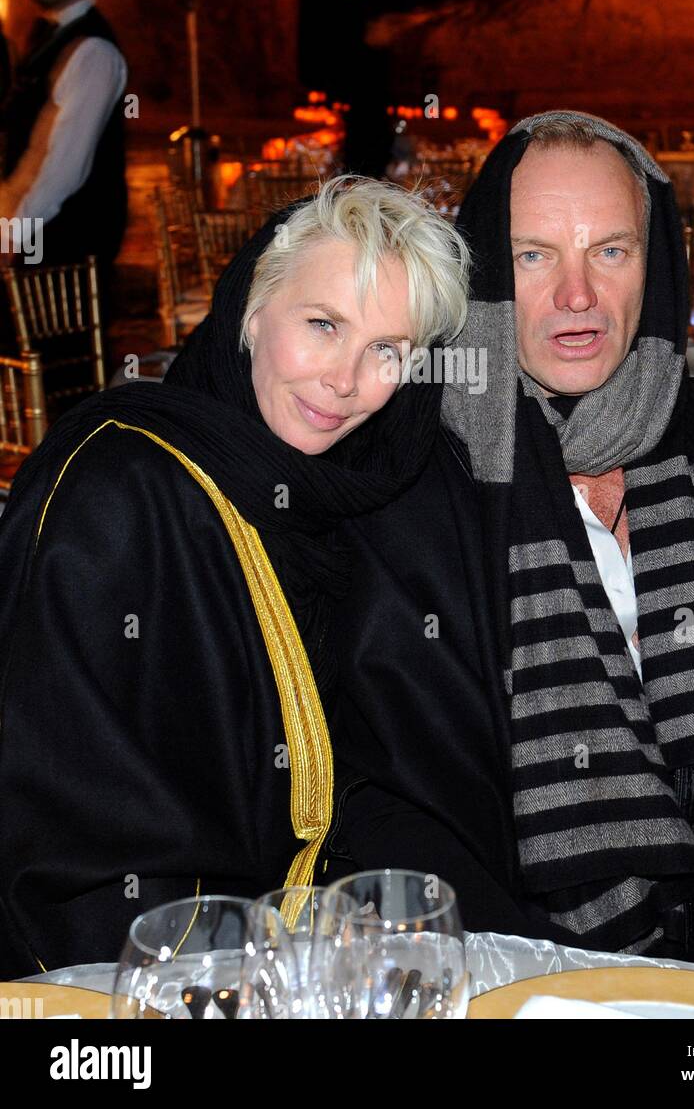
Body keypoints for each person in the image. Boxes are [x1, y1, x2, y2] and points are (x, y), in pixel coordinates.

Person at [324, 111, 694, 970]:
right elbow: (397, 805)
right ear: (489, 270)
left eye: (610, 250)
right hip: (532, 982)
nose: (577, 296)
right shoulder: (416, 495)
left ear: (655, 267)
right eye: (536, 255)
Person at [0, 177, 469, 977]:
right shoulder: (122, 487)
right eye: (323, 325)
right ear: (252, 311)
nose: (345, 381)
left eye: (387, 350)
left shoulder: (361, 494)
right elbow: (56, 821)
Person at [0, 0, 128, 327]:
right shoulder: (49, 37)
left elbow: (65, 163)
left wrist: (18, 232)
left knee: (59, 356)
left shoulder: (92, 49)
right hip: (40, 226)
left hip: (68, 234)